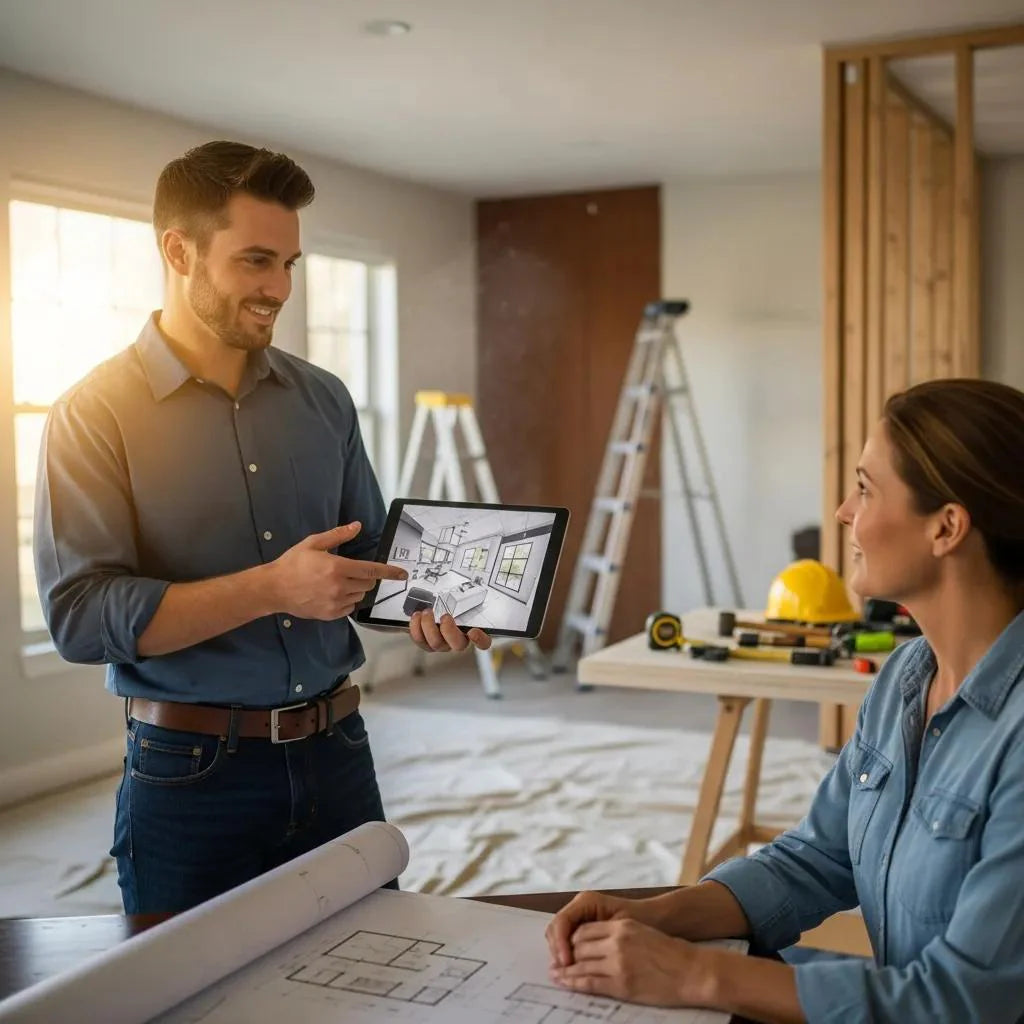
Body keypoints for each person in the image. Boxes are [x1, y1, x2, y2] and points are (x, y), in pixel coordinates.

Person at [33, 140, 489, 915]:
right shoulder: (94, 411)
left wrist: (432, 612)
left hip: (339, 750)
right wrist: (272, 588)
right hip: (189, 774)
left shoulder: (325, 400)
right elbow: (80, 619)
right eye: (255, 261)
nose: (279, 288)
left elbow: (366, 557)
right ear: (178, 251)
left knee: (375, 976)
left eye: (290, 264)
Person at [545, 377, 1024, 1023]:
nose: (842, 513)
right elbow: (821, 856)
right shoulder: (907, 675)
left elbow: (964, 1001)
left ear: (947, 527)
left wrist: (695, 974)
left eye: (864, 488)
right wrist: (654, 915)